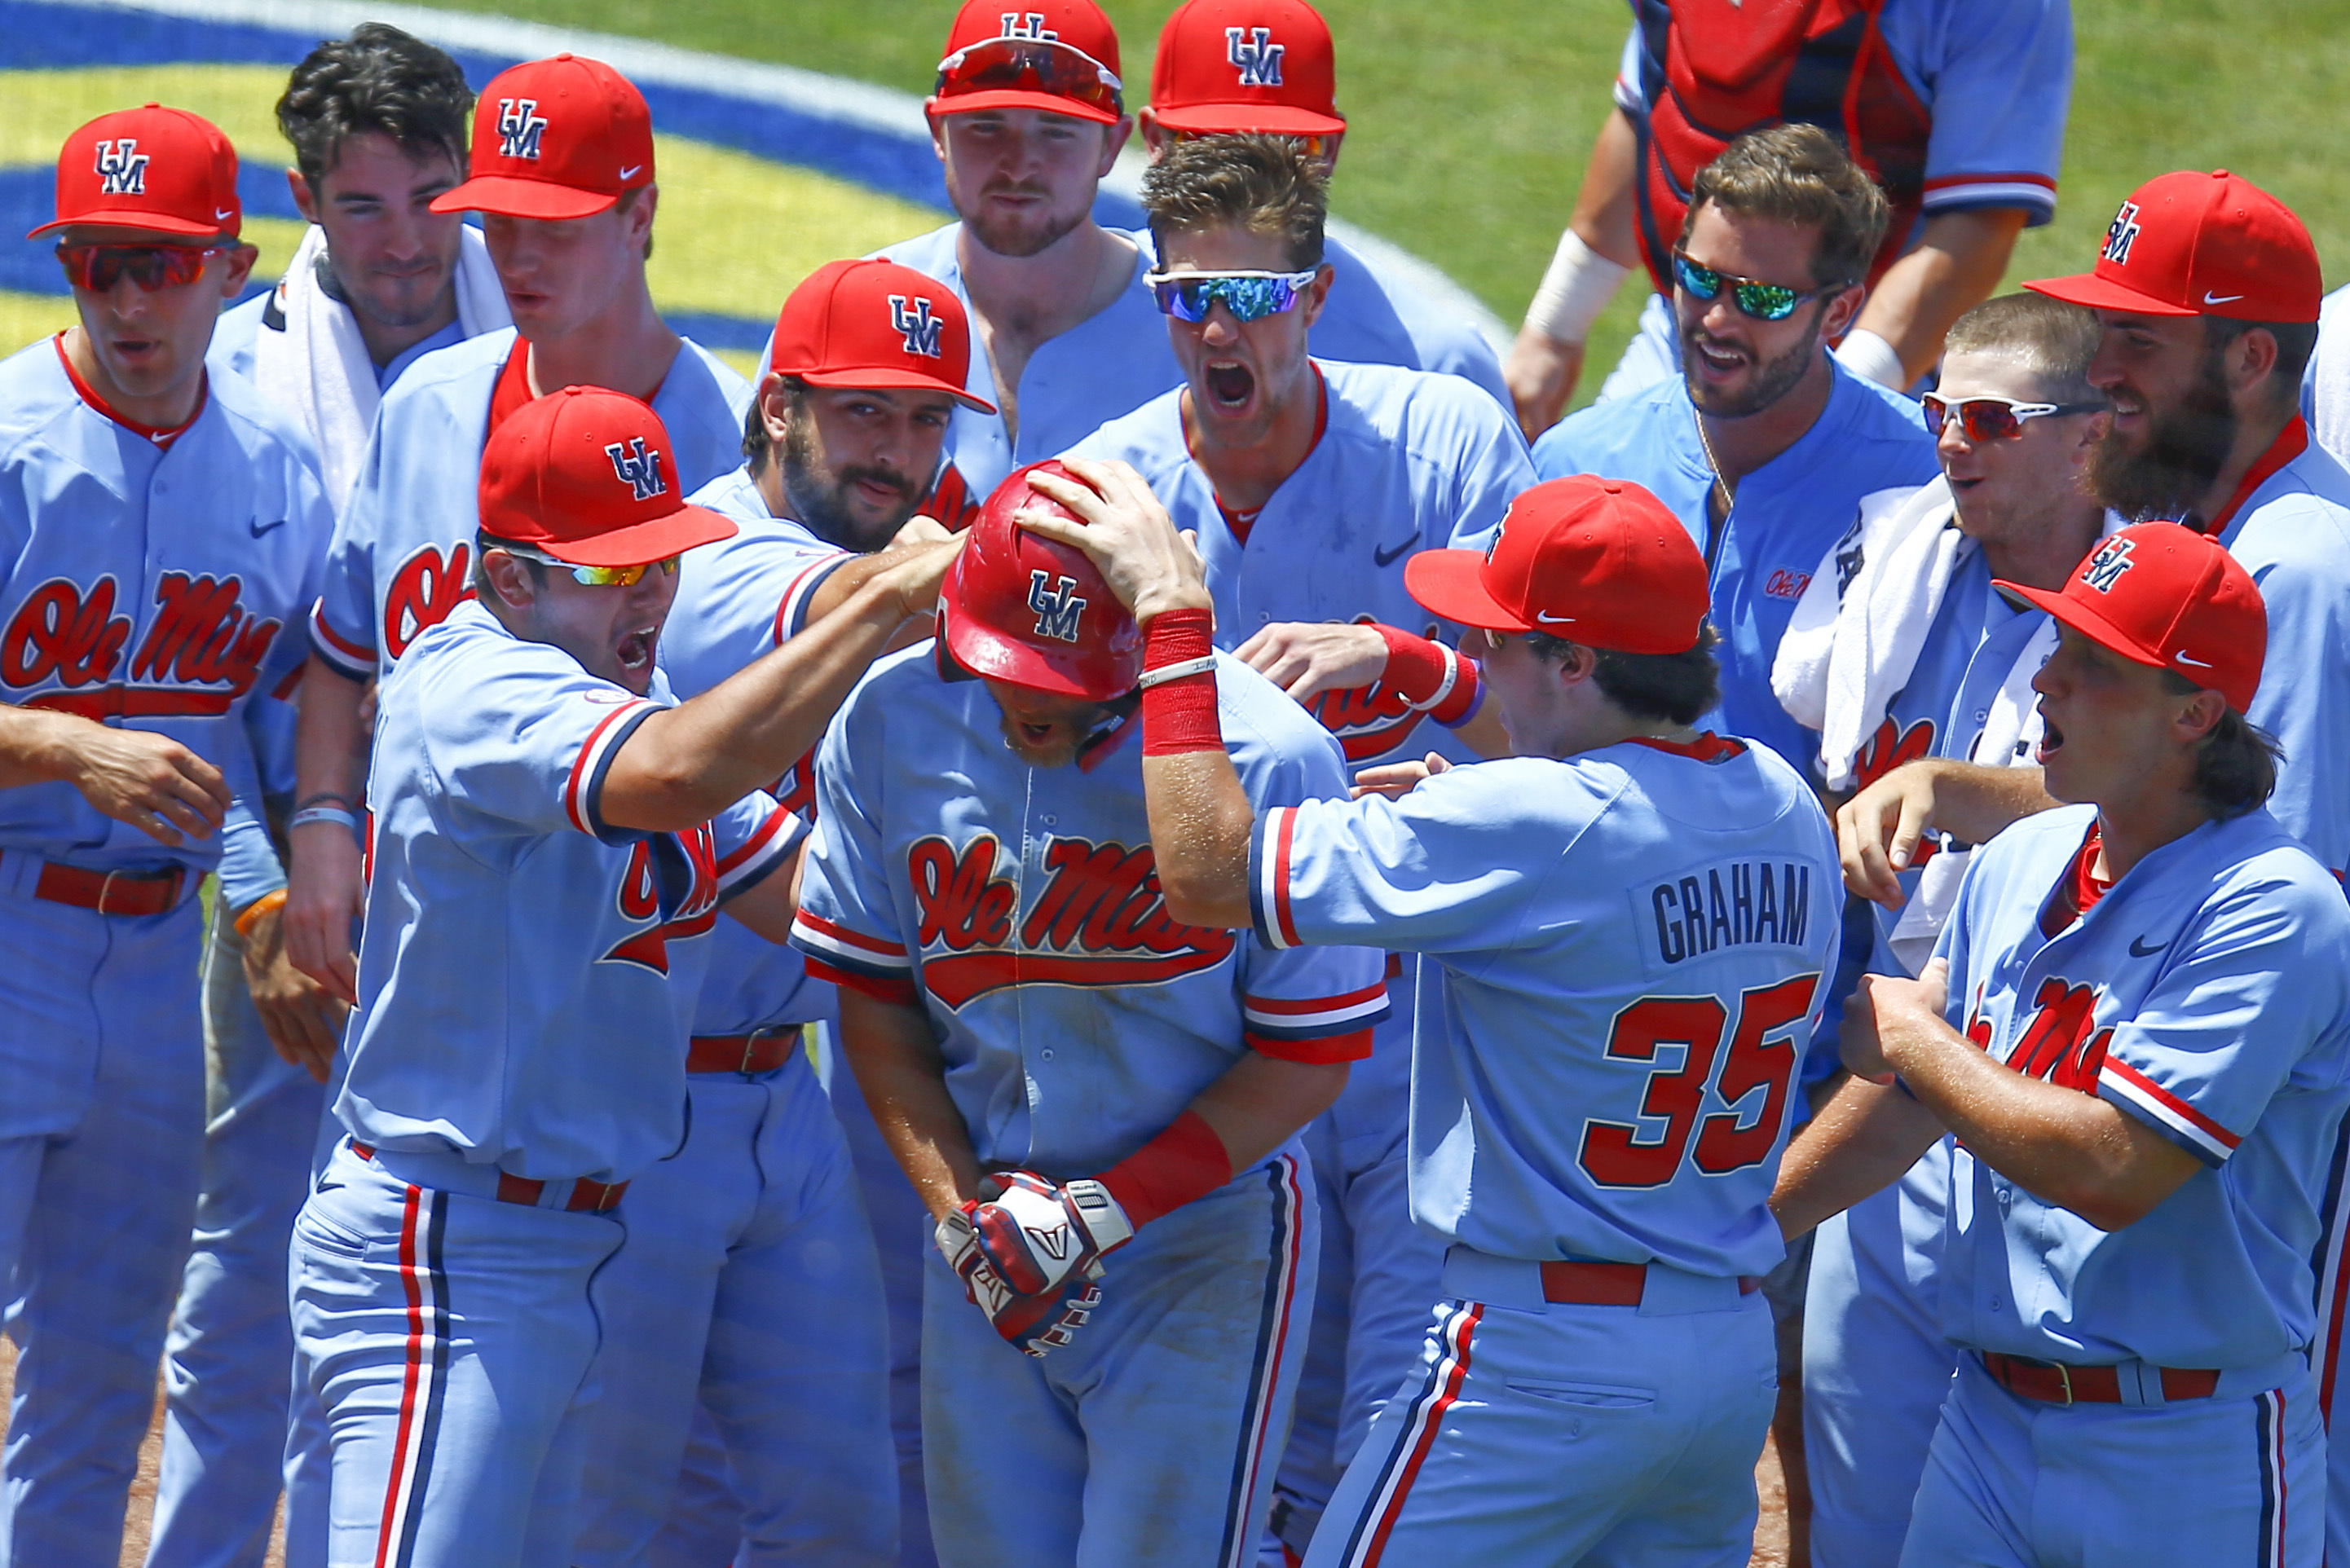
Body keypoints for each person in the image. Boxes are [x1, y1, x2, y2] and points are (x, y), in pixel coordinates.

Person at [1034, 462, 1841, 1566]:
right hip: (1718, 1351)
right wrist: (1429, 707)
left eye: (1495, 640)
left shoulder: (1525, 822)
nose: (1481, 661)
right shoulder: (1778, 800)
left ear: (1573, 662)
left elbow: (1207, 874)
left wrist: (1176, 630)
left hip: (1536, 1367)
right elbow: (1599, 828)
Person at [289, 386, 955, 1568]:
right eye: (610, 571)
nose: (646, 596)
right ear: (508, 580)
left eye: (659, 565)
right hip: (447, 1252)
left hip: (576, 1246)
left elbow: (810, 903)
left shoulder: (625, 702)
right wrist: (882, 605)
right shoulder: (470, 680)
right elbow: (674, 778)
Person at [1836, 164, 2350, 1563]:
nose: (2097, 369)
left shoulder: (2297, 558)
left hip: (2242, 1140)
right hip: (2044, 1336)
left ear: (2249, 356)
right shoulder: (2199, 528)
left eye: (2139, 340)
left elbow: (2230, 858)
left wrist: (1959, 816)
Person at [787, 461, 1388, 1568]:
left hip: (1200, 1239)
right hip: (984, 1224)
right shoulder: (888, 723)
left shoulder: (1267, 755)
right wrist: (964, 1218)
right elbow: (873, 1003)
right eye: (1014, 674)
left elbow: (1309, 1056)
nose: (1036, 711)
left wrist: (1105, 1211)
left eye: (1072, 690)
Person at [1065, 130, 1528, 1561]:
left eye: (1254, 297)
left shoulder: (1449, 440)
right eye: (1189, 294)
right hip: (1211, 1036)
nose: (1219, 326)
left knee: (1400, 1407)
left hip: (1409, 1028)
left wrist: (1410, 683)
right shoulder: (1104, 491)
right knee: (1227, 1429)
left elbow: (1553, 721)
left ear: (1315, 299)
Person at [1776, 523, 2348, 1568]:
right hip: (1986, 1421)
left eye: (2092, 665)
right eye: (2055, 645)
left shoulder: (2276, 908)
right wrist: (1751, 1232)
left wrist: (1912, 1038)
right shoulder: (2030, 849)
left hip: (2184, 1452)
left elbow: (2114, 1166)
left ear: (2196, 715)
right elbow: (1910, 1099)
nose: (2047, 679)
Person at [570, 258, 990, 1568]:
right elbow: (846, 606)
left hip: (783, 1105)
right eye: (865, 413)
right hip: (621, 1119)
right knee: (621, 1518)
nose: (898, 454)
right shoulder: (708, 561)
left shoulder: (886, 560)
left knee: (839, 1511)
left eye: (926, 421)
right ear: (777, 409)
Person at [153, 31, 505, 1566]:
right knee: (248, 1279)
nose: (408, 241)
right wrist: (258, 889)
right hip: (307, 901)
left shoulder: (548, 335)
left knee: (494, 1268)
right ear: (302, 199)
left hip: (508, 903)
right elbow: (201, 673)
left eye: (435, 195)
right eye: (364, 207)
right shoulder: (232, 373)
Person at [0, 104, 331, 1564]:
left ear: (230, 264)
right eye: (99, 264)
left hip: (148, 983)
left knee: (94, 1373)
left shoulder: (277, 472)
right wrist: (51, 738)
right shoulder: (9, 445)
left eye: (161, 264)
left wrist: (262, 909)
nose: (131, 300)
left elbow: (265, 744)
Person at [281, 51, 752, 1008]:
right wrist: (324, 821)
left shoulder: (734, 450)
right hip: (423, 955)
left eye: (556, 228)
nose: (518, 258)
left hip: (646, 973)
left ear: (640, 215)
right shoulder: (427, 402)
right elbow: (340, 651)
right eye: (499, 222)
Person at [1767, 292, 2110, 1568]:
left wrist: (1960, 795)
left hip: (2046, 1102)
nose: (1949, 444)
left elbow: (2144, 807)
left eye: (1985, 418)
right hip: (1885, 1085)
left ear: (2086, 437)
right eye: (1935, 414)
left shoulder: (2145, 613)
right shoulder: (1890, 565)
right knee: (1858, 1500)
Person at [1532, 123, 1940, 778]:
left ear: (1838, 313)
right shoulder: (1577, 462)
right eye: (1698, 279)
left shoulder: (1923, 485)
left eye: (1762, 298)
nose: (1717, 320)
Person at [1503, 0, 2073, 433]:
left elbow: (1977, 221)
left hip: (1875, 362)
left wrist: (1841, 408)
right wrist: (1554, 332)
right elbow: (1659, 104)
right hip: (1686, 333)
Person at [876, 0, 1182, 517]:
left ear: (1112, 145)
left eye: (1056, 131)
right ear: (938, 132)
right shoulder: (856, 313)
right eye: (986, 126)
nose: (1018, 165)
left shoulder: (1195, 329)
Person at [1136, 0, 1510, 412]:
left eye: (1289, 148)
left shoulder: (1439, 366)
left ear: (1329, 152)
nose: (1247, 178)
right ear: (1155, 142)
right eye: (1208, 144)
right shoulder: (1068, 309)